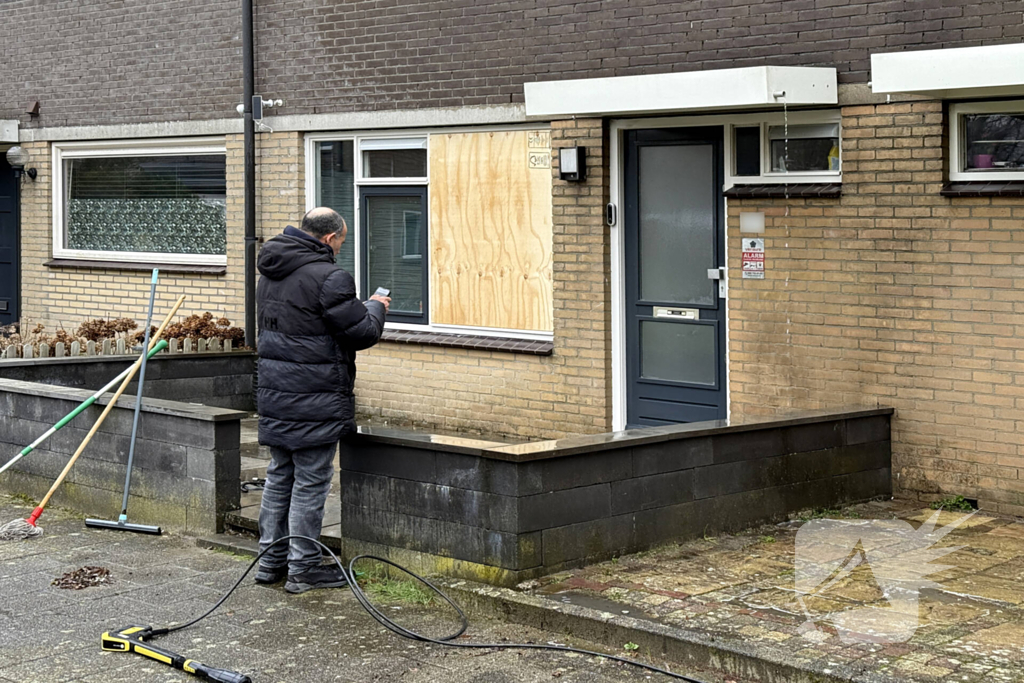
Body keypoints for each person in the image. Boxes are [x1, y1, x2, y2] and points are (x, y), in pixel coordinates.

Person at [254, 207, 390, 594]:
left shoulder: (270, 271)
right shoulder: (330, 277)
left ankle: (270, 562)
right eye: (341, 242)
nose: (340, 248)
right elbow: (361, 333)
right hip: (314, 398)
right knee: (311, 481)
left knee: (280, 475)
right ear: (330, 238)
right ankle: (303, 568)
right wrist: (375, 306)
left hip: (276, 393)